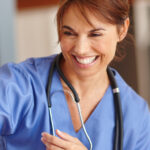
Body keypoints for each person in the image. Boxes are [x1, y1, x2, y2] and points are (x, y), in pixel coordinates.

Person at [0, 0, 150, 149]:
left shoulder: (136, 115)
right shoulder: (17, 85)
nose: (81, 49)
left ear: (122, 29)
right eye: (69, 33)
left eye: (95, 34)